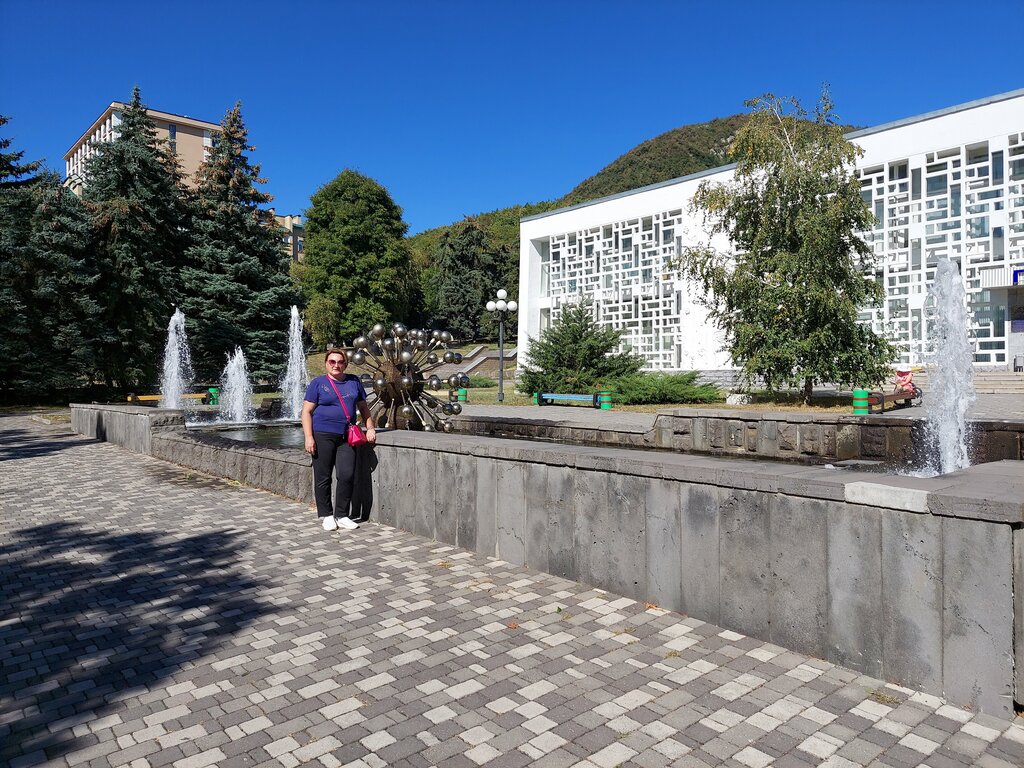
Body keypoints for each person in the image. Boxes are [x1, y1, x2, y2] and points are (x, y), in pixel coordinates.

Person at [302, 349, 376, 531]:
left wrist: (370, 427)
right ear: (326, 363)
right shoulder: (318, 383)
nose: (336, 365)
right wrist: (309, 437)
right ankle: (327, 515)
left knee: (346, 475)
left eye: (340, 362)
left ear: (345, 364)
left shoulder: (353, 381)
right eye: (332, 362)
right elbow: (306, 412)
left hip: (346, 436)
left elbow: (363, 407)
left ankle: (342, 515)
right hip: (322, 434)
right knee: (323, 476)